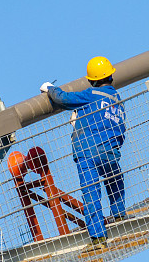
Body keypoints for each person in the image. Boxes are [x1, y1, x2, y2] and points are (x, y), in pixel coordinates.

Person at [40, 56, 126, 250]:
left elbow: (64, 99)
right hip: (110, 150)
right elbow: (121, 129)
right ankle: (119, 215)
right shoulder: (117, 100)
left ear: (91, 80)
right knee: (115, 180)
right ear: (111, 76)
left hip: (87, 151)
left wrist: (50, 88)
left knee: (91, 193)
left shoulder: (92, 94)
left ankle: (98, 238)